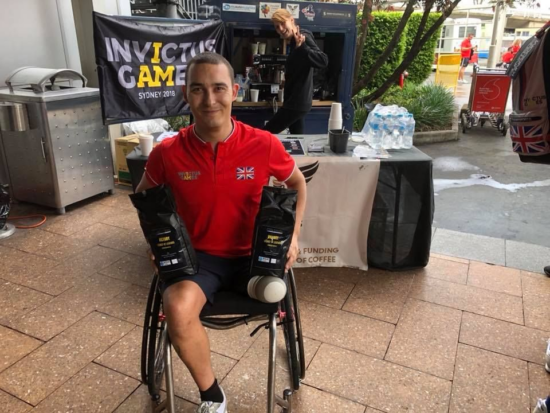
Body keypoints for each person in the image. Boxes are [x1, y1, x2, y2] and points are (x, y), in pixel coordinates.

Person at [135, 52, 307, 413]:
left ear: (235, 90)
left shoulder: (264, 143)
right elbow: (143, 196)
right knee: (177, 307)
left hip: (253, 253)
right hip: (199, 260)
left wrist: (293, 237)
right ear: (186, 93)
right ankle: (212, 395)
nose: (209, 100)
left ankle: (254, 284)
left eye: (218, 88)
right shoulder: (168, 152)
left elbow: (296, 183)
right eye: (198, 89)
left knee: (274, 290)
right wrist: (154, 242)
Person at [263, 8, 328, 134]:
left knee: (266, 134)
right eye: (277, 27)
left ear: (291, 20)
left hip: (296, 103)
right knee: (297, 139)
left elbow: (323, 60)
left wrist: (302, 47)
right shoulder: (293, 42)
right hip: (295, 101)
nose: (281, 29)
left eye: (283, 23)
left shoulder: (303, 37)